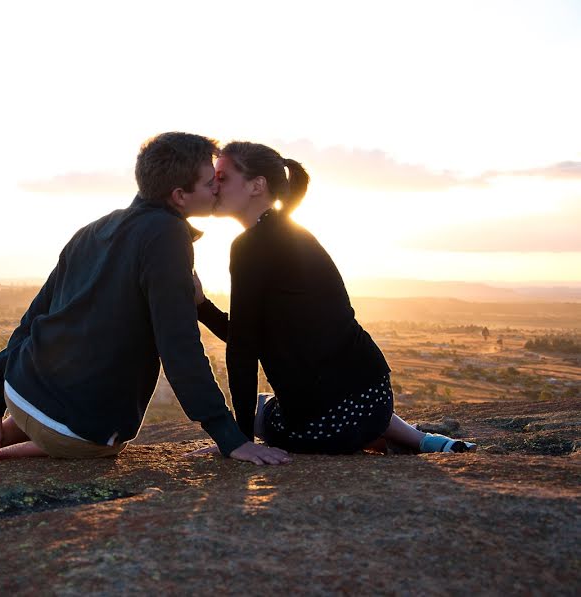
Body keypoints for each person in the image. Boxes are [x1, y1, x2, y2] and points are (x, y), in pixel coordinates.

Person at [0, 132, 292, 467]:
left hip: (18, 390)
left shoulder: (94, 228)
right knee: (107, 440)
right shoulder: (166, 236)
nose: (217, 187)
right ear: (180, 195)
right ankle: (38, 444)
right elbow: (180, 348)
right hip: (77, 434)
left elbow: (33, 318)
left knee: (65, 401)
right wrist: (231, 438)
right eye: (209, 181)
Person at [193, 141, 476, 455]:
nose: (213, 187)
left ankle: (400, 439)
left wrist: (239, 443)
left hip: (326, 423)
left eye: (222, 178)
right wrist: (202, 306)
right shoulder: (295, 233)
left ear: (256, 185)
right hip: (373, 398)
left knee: (264, 415)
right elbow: (250, 336)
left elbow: (244, 350)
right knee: (294, 402)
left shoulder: (250, 246)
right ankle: (420, 440)